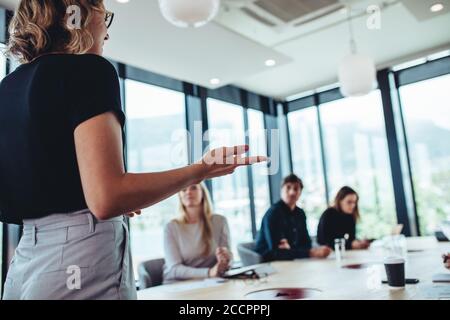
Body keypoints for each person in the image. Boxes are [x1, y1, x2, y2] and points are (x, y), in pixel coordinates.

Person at [0, 0, 265, 300]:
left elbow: (55, 183)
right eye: (106, 17)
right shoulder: (89, 71)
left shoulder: (7, 88)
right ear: (77, 13)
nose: (107, 33)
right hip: (79, 258)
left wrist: (116, 196)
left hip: (24, 263)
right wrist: (200, 170)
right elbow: (106, 198)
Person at [163, 184, 232, 283]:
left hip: (211, 282)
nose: (188, 192)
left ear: (203, 192)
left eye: (194, 188)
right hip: (178, 283)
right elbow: (174, 269)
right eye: (183, 189)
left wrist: (226, 260)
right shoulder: (171, 227)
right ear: (180, 196)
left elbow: (227, 257)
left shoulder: (220, 221)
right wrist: (209, 272)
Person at [255, 174, 331, 262]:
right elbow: (276, 252)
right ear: (281, 190)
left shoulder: (300, 213)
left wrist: (291, 249)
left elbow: (306, 243)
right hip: (268, 263)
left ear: (300, 192)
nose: (292, 192)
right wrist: (309, 252)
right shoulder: (273, 214)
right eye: (288, 187)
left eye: (296, 188)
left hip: (292, 261)